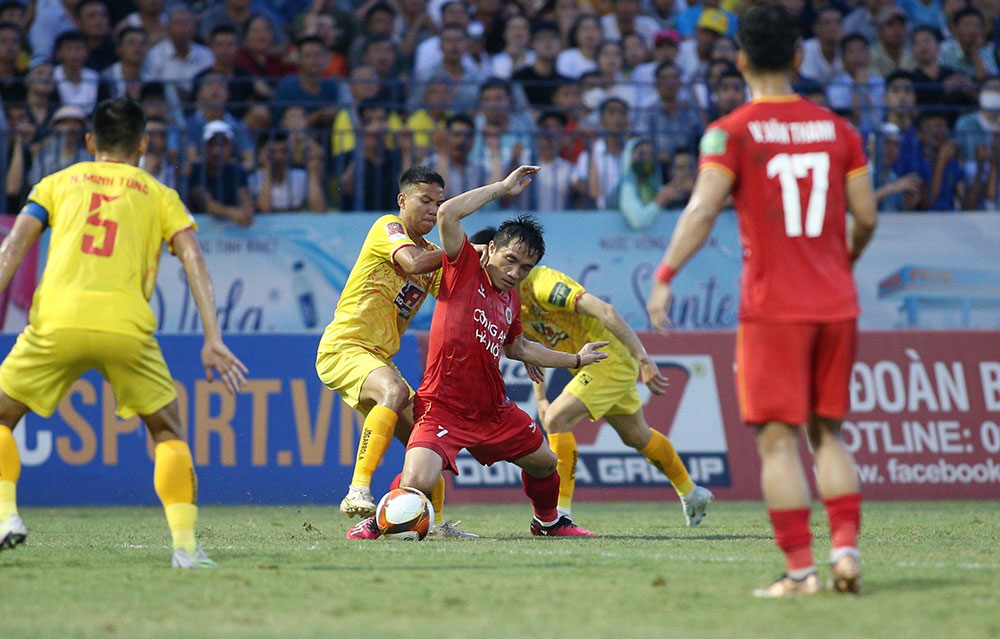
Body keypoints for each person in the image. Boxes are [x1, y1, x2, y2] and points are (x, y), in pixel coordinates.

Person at [647, 4, 877, 597]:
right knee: (829, 433)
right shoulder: (841, 131)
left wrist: (667, 272)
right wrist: (841, 262)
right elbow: (867, 218)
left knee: (778, 441)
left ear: (741, 59)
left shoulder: (732, 131)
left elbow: (702, 210)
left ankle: (801, 571)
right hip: (837, 302)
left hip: (773, 307)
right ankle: (845, 552)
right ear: (799, 57)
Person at [0, 97, 248, 567]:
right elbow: (193, 257)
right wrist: (212, 337)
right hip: (126, 329)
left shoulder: (55, 183)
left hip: (56, 322)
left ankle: (6, 514)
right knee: (166, 430)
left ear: (90, 141)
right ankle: (185, 549)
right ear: (143, 143)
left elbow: (14, 246)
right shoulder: (159, 194)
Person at [346, 169, 610, 541]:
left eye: (525, 268)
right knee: (417, 480)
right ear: (491, 252)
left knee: (545, 463)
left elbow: (518, 347)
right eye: (510, 260)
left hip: (491, 409)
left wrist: (575, 360)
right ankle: (376, 523)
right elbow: (447, 214)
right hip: (443, 404)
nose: (515, 272)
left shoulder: (511, 300)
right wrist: (502, 189)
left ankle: (548, 522)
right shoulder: (463, 264)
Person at [470, 226, 713, 528]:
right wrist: (541, 397)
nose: (513, 271)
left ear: (491, 251)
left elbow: (606, 311)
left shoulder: (543, 284)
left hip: (608, 357)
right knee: (638, 436)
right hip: (588, 365)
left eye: (521, 265)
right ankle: (692, 493)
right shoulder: (500, 298)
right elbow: (530, 349)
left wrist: (643, 359)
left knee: (557, 419)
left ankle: (559, 512)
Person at [315, 165, 474, 538]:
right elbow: (412, 263)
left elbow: (459, 293)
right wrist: (464, 252)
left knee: (426, 438)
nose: (433, 211)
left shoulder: (434, 255)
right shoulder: (389, 228)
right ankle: (358, 489)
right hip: (344, 346)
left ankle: (432, 524)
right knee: (395, 391)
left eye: (439, 203)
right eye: (425, 201)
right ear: (403, 200)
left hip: (378, 357)